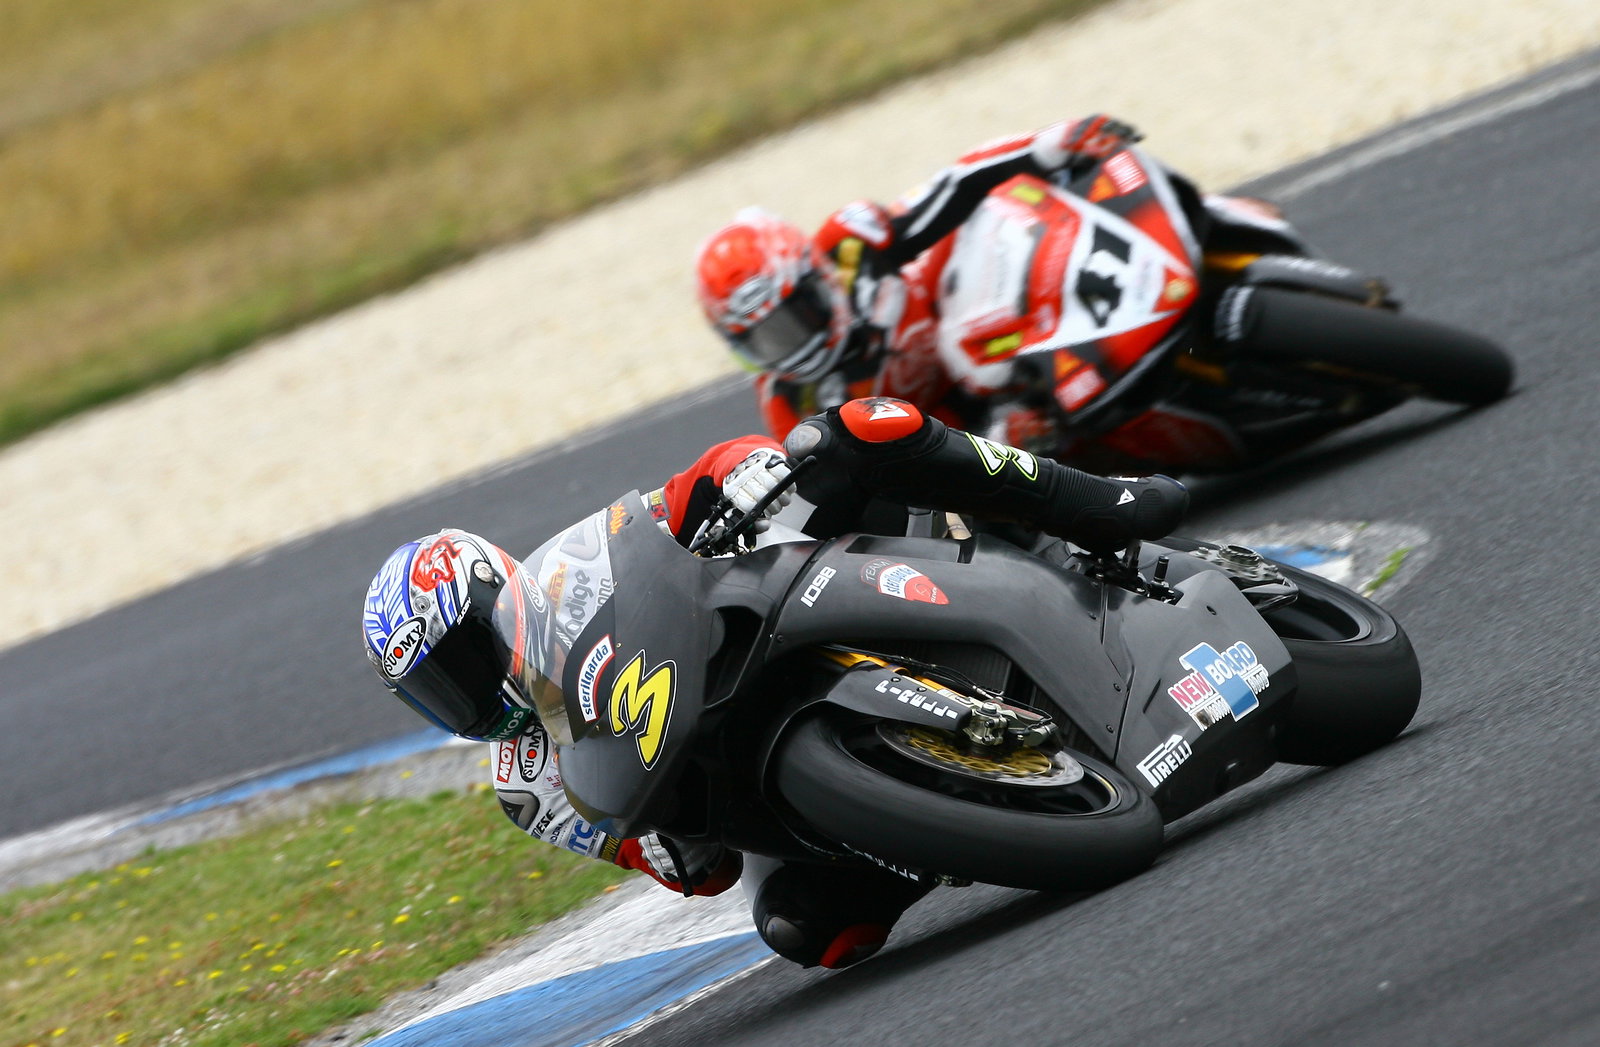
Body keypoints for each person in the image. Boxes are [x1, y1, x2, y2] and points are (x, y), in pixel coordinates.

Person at [360, 396, 1187, 969]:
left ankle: (1093, 501)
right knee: (807, 928)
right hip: (746, 767)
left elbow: (685, 489)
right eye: (440, 692)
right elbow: (706, 871)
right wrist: (665, 851)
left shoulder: (570, 578)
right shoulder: (527, 786)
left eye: (464, 660)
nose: (468, 696)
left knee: (849, 433)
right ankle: (951, 817)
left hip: (772, 599)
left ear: (496, 596)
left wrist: (747, 471)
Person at [693, 114, 1305, 453]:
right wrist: (992, 442)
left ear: (815, 276)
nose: (793, 343)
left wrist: (1047, 147)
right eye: (767, 339)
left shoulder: (851, 246)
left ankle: (1207, 228)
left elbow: (953, 189)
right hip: (986, 424)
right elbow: (890, 488)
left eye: (794, 315)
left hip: (992, 297)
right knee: (1086, 452)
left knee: (1016, 225)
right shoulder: (796, 410)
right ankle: (1221, 432)